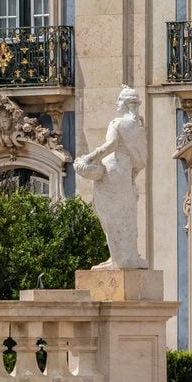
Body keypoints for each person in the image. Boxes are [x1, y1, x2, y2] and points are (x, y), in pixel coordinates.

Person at [74, 86, 148, 269]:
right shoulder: (138, 125)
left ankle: (118, 260)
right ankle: (126, 257)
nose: (116, 103)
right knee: (126, 215)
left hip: (112, 172)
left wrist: (89, 157)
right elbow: (141, 160)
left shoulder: (118, 124)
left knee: (110, 216)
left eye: (119, 100)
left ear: (125, 103)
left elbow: (111, 145)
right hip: (125, 172)